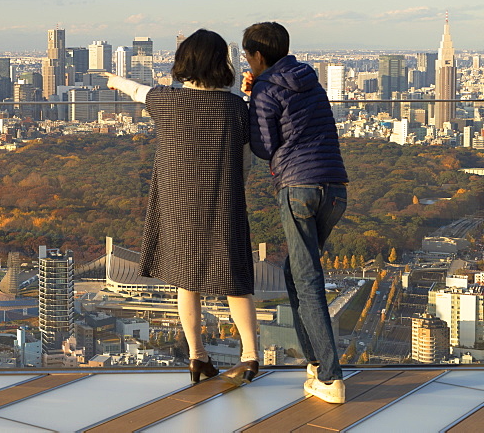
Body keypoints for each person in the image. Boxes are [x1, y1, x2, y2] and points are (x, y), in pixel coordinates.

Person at [108, 29, 259, 386]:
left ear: (184, 63)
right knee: (234, 279)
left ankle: (198, 358)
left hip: (178, 202)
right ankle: (251, 356)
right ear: (221, 63)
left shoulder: (167, 101)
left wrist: (115, 80)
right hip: (223, 199)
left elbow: (138, 91)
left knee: (186, 282)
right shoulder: (235, 107)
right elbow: (247, 160)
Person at [241, 21, 349, 404]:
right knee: (296, 272)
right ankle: (316, 361)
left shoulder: (267, 89)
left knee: (307, 280)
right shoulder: (310, 79)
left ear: (258, 56)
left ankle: (331, 377)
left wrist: (253, 101)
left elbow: (265, 147)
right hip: (335, 189)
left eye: (247, 56)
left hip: (298, 188)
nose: (247, 63)